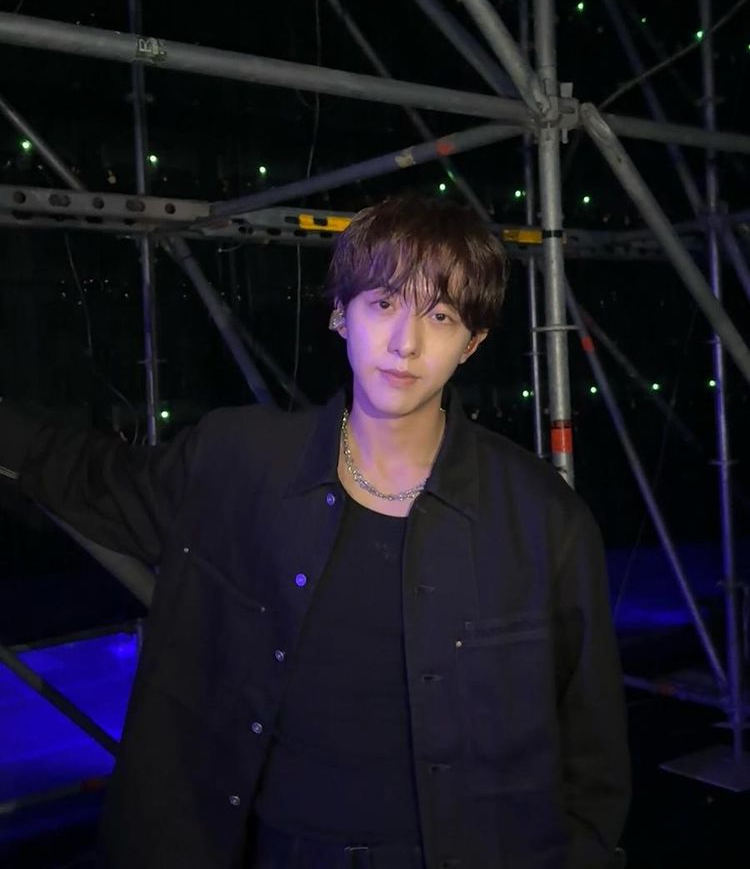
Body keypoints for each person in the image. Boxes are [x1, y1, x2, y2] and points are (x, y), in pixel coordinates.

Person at [0, 194, 630, 869]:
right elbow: (88, 475)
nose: (406, 343)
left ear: (471, 342)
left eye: (441, 315)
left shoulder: (542, 518)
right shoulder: (239, 462)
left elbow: (591, 755)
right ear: (340, 314)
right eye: (383, 303)